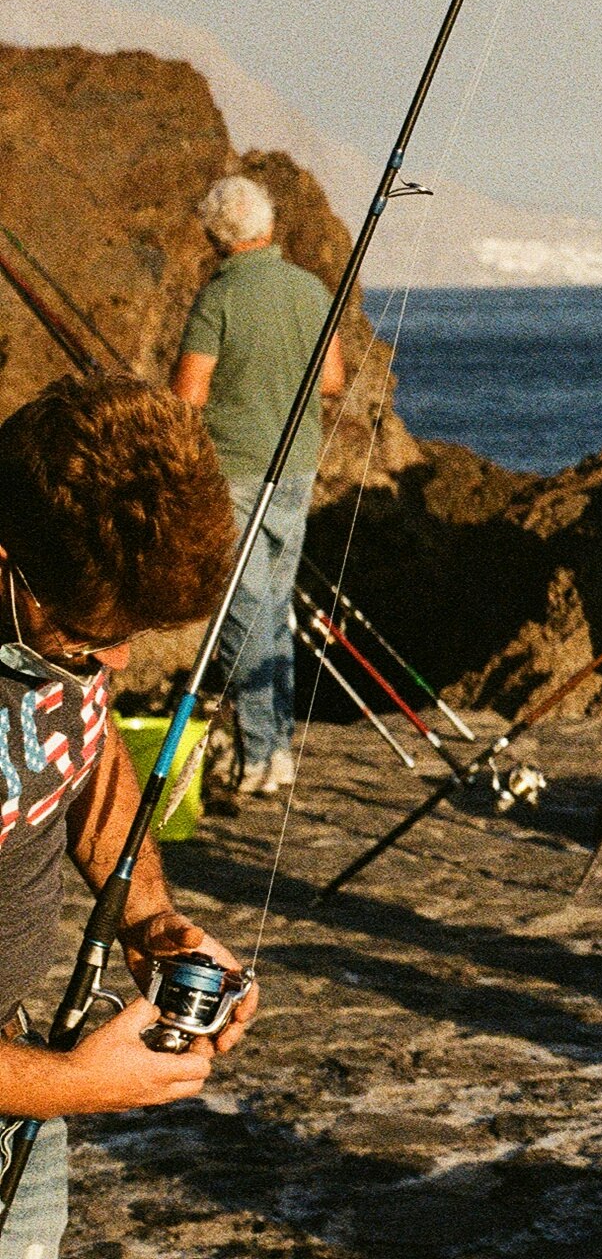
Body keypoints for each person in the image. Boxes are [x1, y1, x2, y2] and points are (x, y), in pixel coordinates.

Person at [0, 376, 263, 1259]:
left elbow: (86, 752)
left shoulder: (59, 628)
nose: (112, 658)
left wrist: (149, 917)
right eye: (92, 632)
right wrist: (76, 1083)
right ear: (8, 564)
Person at [168, 175, 344, 800]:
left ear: (216, 234)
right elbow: (331, 380)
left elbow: (187, 397)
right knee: (271, 605)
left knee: (244, 611)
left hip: (234, 471)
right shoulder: (310, 289)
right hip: (296, 467)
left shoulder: (217, 298)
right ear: (267, 224)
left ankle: (265, 752)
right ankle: (275, 752)